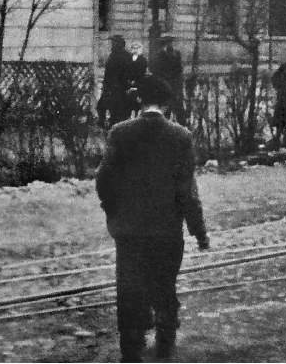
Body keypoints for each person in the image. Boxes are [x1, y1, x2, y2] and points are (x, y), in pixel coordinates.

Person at [96, 75, 208, 363]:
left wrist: (113, 213)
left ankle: (130, 352)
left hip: (129, 231)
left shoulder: (120, 132)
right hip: (166, 231)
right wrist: (199, 231)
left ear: (139, 101)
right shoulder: (180, 136)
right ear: (168, 103)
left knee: (128, 289)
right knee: (165, 286)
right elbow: (187, 190)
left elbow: (104, 178)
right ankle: (164, 348)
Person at [99, 35, 140, 129]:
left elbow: (108, 74)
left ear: (118, 44)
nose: (112, 45)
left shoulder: (114, 56)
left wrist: (106, 87)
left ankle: (109, 127)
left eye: (113, 43)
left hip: (115, 88)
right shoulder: (128, 56)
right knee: (122, 112)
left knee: (108, 109)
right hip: (124, 88)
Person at [150, 37, 186, 125]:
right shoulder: (159, 56)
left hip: (174, 85)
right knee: (167, 108)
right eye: (167, 44)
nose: (169, 46)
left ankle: (182, 126)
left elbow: (179, 69)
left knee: (178, 108)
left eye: (170, 43)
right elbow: (154, 69)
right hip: (166, 85)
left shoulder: (176, 54)